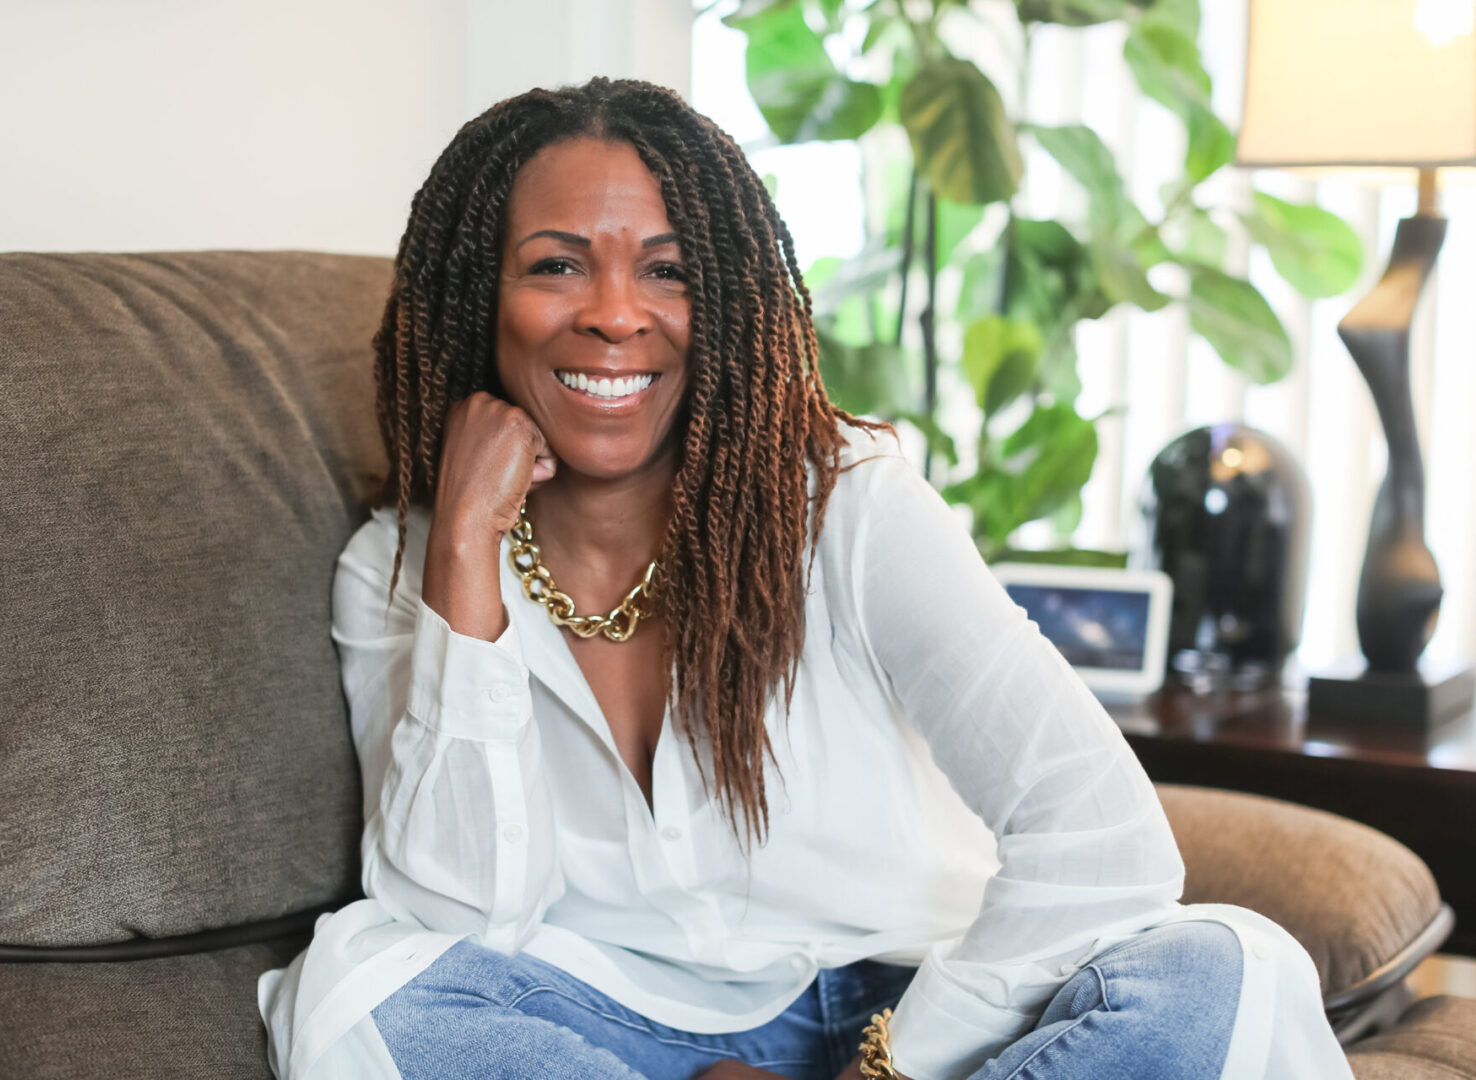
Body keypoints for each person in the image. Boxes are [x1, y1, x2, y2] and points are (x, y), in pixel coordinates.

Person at [258, 78, 1351, 1080]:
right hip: (622, 1035)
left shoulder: (849, 506)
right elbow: (454, 923)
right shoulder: (401, 571)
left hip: (928, 1012)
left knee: (1227, 971)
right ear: (474, 298)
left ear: (726, 301)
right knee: (365, 991)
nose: (615, 312)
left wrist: (888, 1067)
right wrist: (464, 552)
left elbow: (1101, 835)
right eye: (556, 264)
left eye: (668, 269)